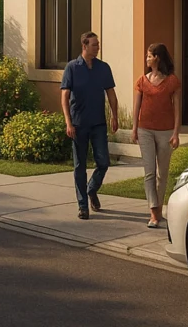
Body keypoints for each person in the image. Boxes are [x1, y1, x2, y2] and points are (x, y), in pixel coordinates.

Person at [61, 32, 118, 220]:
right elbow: (64, 97)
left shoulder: (103, 68)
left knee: (103, 162)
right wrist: (68, 123)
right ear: (84, 46)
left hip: (99, 124)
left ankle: (92, 189)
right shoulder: (72, 68)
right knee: (80, 166)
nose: (98, 47)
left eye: (98, 44)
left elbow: (111, 94)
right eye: (94, 44)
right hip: (78, 124)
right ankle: (83, 205)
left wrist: (115, 116)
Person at [132, 43, 181, 228]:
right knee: (149, 172)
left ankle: (159, 208)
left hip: (166, 132)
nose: (146, 59)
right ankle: (154, 211)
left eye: (149, 56)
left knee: (163, 174)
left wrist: (176, 132)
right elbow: (137, 106)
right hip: (145, 130)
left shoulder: (172, 81)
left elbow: (177, 109)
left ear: (157, 58)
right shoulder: (142, 81)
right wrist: (135, 128)